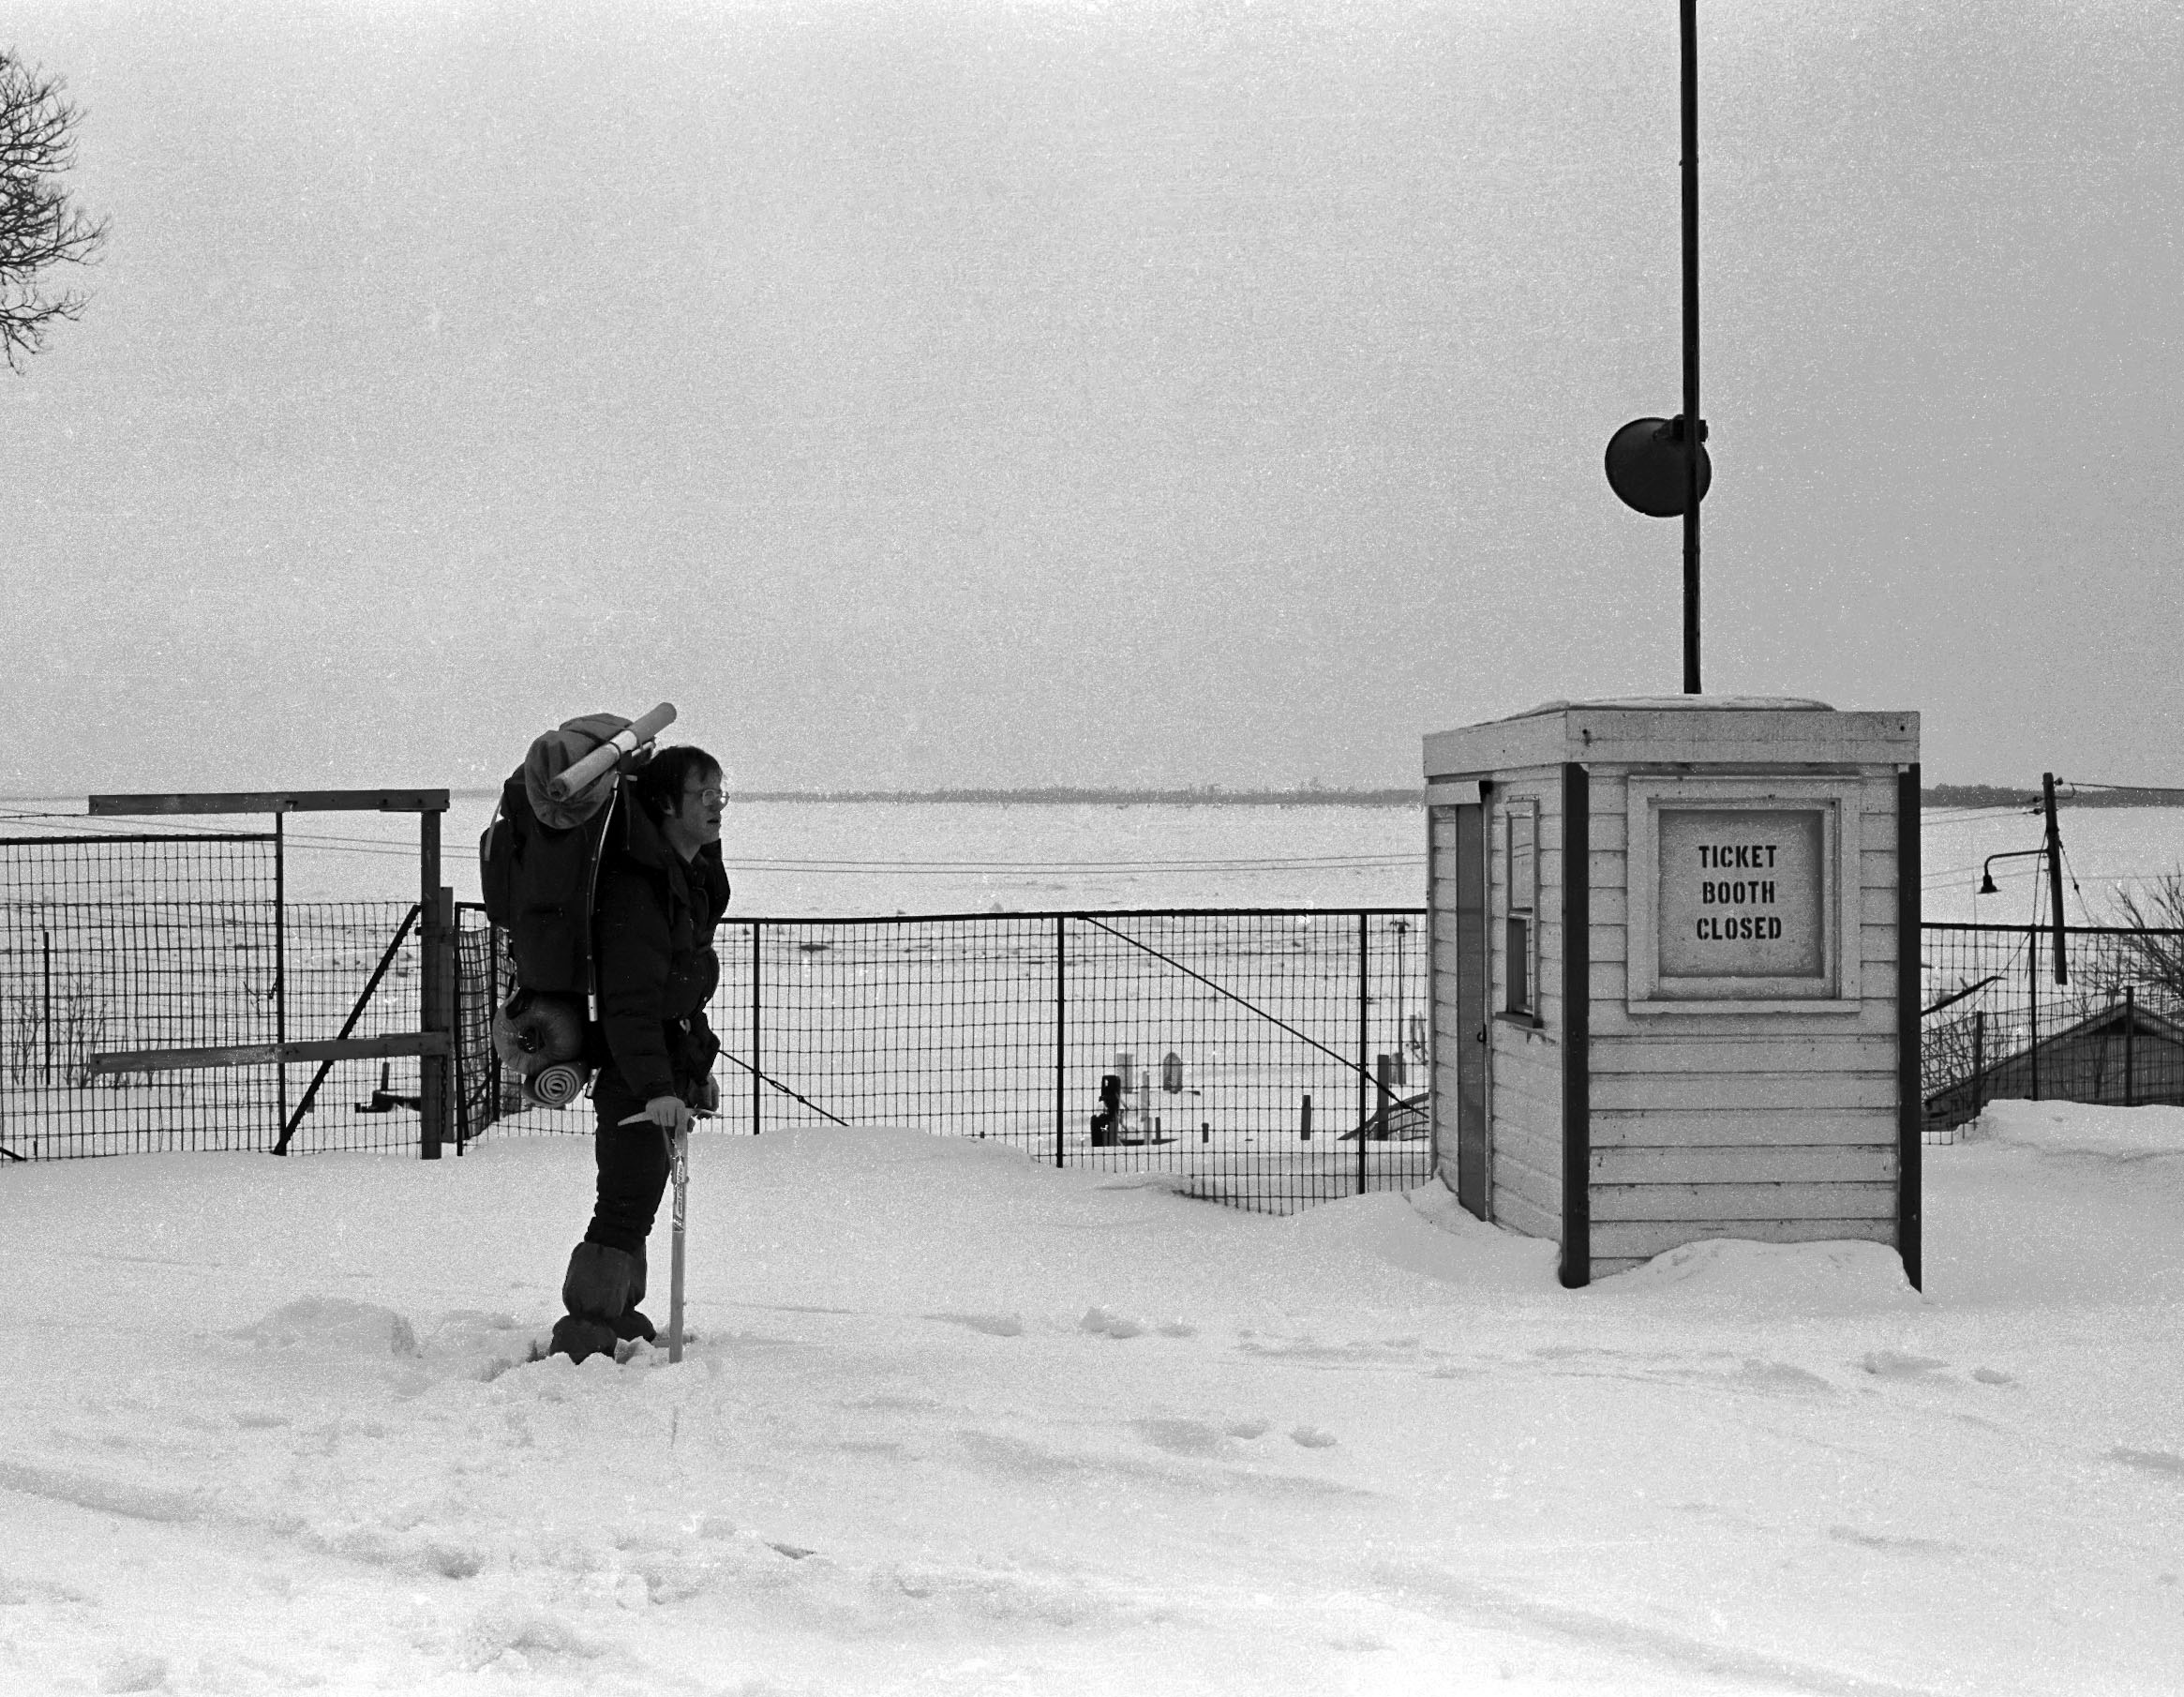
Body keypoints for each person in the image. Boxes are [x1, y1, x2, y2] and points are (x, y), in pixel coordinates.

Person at [549, 744, 731, 1363]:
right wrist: (655, 1087)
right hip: (635, 1076)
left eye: (719, 793)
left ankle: (616, 1312)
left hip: (661, 1067)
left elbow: (678, 992)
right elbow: (630, 1004)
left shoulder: (676, 877)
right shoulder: (638, 888)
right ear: (664, 804)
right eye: (703, 794)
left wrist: (688, 1075)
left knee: (641, 1196)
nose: (716, 805)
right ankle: (585, 1330)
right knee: (624, 1203)